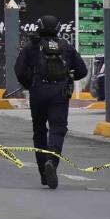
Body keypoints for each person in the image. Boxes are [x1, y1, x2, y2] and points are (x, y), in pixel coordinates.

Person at [14, 15, 87, 189]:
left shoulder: (32, 47)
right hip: (59, 93)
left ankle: (43, 173)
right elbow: (82, 70)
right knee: (58, 129)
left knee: (39, 130)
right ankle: (52, 162)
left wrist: (29, 84)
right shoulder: (66, 46)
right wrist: (68, 76)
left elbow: (19, 70)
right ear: (58, 29)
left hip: (38, 91)